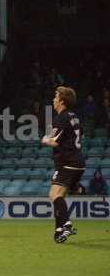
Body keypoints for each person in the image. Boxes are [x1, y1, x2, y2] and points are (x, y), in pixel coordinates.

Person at [41, 86, 85, 243]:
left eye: (55, 97)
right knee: (59, 198)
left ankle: (66, 224)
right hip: (77, 162)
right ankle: (59, 231)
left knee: (54, 195)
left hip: (68, 163)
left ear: (62, 101)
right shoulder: (75, 117)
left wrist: (45, 139)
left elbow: (53, 142)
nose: (53, 99)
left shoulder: (61, 117)